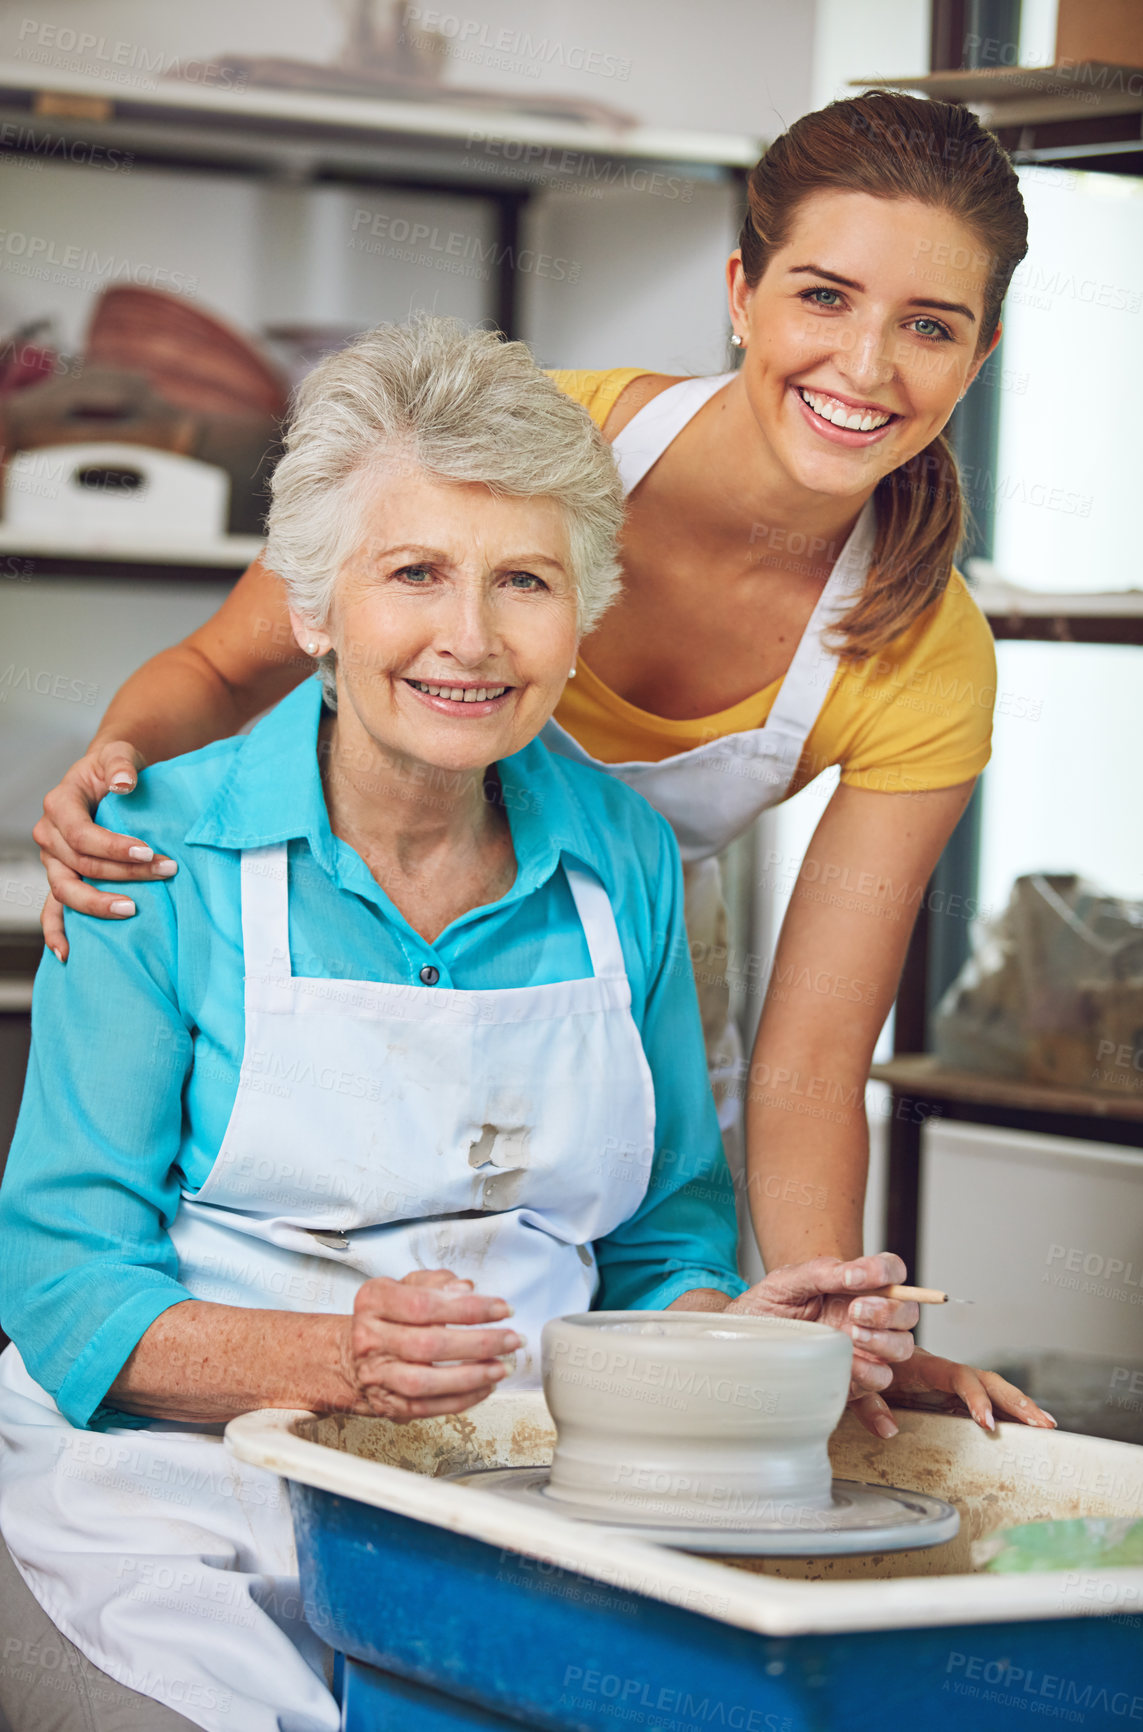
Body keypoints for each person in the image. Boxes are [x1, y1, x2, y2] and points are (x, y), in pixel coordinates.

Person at [1, 316, 968, 1732]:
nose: (470, 637)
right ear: (317, 608)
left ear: (579, 617)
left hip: (523, 1499)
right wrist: (337, 1362)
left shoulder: (622, 866)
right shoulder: (160, 855)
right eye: (414, 575)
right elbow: (66, 1285)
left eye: (524, 581)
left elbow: (658, 1243)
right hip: (178, 1505)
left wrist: (732, 1340)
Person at [33, 92, 1044, 1437]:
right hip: (349, 859)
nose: (864, 366)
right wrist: (116, 787)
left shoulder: (916, 657)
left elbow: (807, 1061)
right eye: (822, 297)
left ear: (975, 358)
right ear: (738, 293)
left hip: (618, 948)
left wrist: (818, 1326)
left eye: (930, 324)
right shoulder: (515, 460)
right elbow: (224, 667)